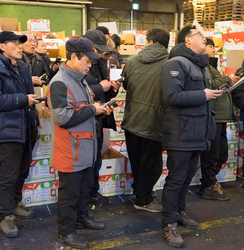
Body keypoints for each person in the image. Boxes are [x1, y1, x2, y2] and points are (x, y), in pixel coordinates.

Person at [160, 25, 223, 248]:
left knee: (186, 179)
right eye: (200, 36)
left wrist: (212, 92)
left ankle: (179, 213)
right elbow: (172, 96)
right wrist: (203, 94)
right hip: (181, 132)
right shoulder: (175, 63)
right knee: (176, 180)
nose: (205, 40)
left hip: (197, 132)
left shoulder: (201, 65)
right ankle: (168, 223)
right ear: (188, 40)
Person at [48, 37, 113, 249]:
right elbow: (62, 118)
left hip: (85, 147)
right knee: (70, 194)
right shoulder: (60, 82)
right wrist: (92, 109)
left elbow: (81, 106)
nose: (90, 65)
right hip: (70, 150)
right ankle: (65, 232)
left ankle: (81, 218)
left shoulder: (80, 79)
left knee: (85, 189)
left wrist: (98, 108)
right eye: (87, 60)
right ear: (74, 57)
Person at [0, 31, 40, 238]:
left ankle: (13, 204)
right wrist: (23, 100)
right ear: (2, 46)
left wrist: (35, 123)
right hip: (8, 131)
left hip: (26, 127)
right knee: (9, 175)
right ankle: (5, 216)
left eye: (21, 42)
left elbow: (28, 96)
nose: (20, 46)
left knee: (22, 171)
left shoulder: (23, 67)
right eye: (14, 42)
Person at [121, 28, 170, 212]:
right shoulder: (170, 63)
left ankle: (140, 192)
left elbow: (125, 84)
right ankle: (143, 200)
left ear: (148, 41)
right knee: (152, 164)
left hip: (132, 119)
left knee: (137, 160)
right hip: (154, 122)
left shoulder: (132, 61)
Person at [84, 29, 121, 203]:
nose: (101, 54)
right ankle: (86, 197)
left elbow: (100, 85)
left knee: (96, 158)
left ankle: (93, 192)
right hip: (84, 120)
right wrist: (101, 87)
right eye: (98, 50)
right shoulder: (79, 66)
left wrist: (110, 87)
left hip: (98, 117)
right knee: (88, 161)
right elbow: (78, 92)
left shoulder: (98, 62)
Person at [200, 38, 239, 201]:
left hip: (222, 117)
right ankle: (208, 186)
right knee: (212, 154)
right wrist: (227, 79)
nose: (213, 49)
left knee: (222, 153)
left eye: (213, 46)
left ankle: (210, 182)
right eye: (209, 46)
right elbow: (209, 84)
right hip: (213, 117)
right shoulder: (203, 66)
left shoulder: (213, 66)